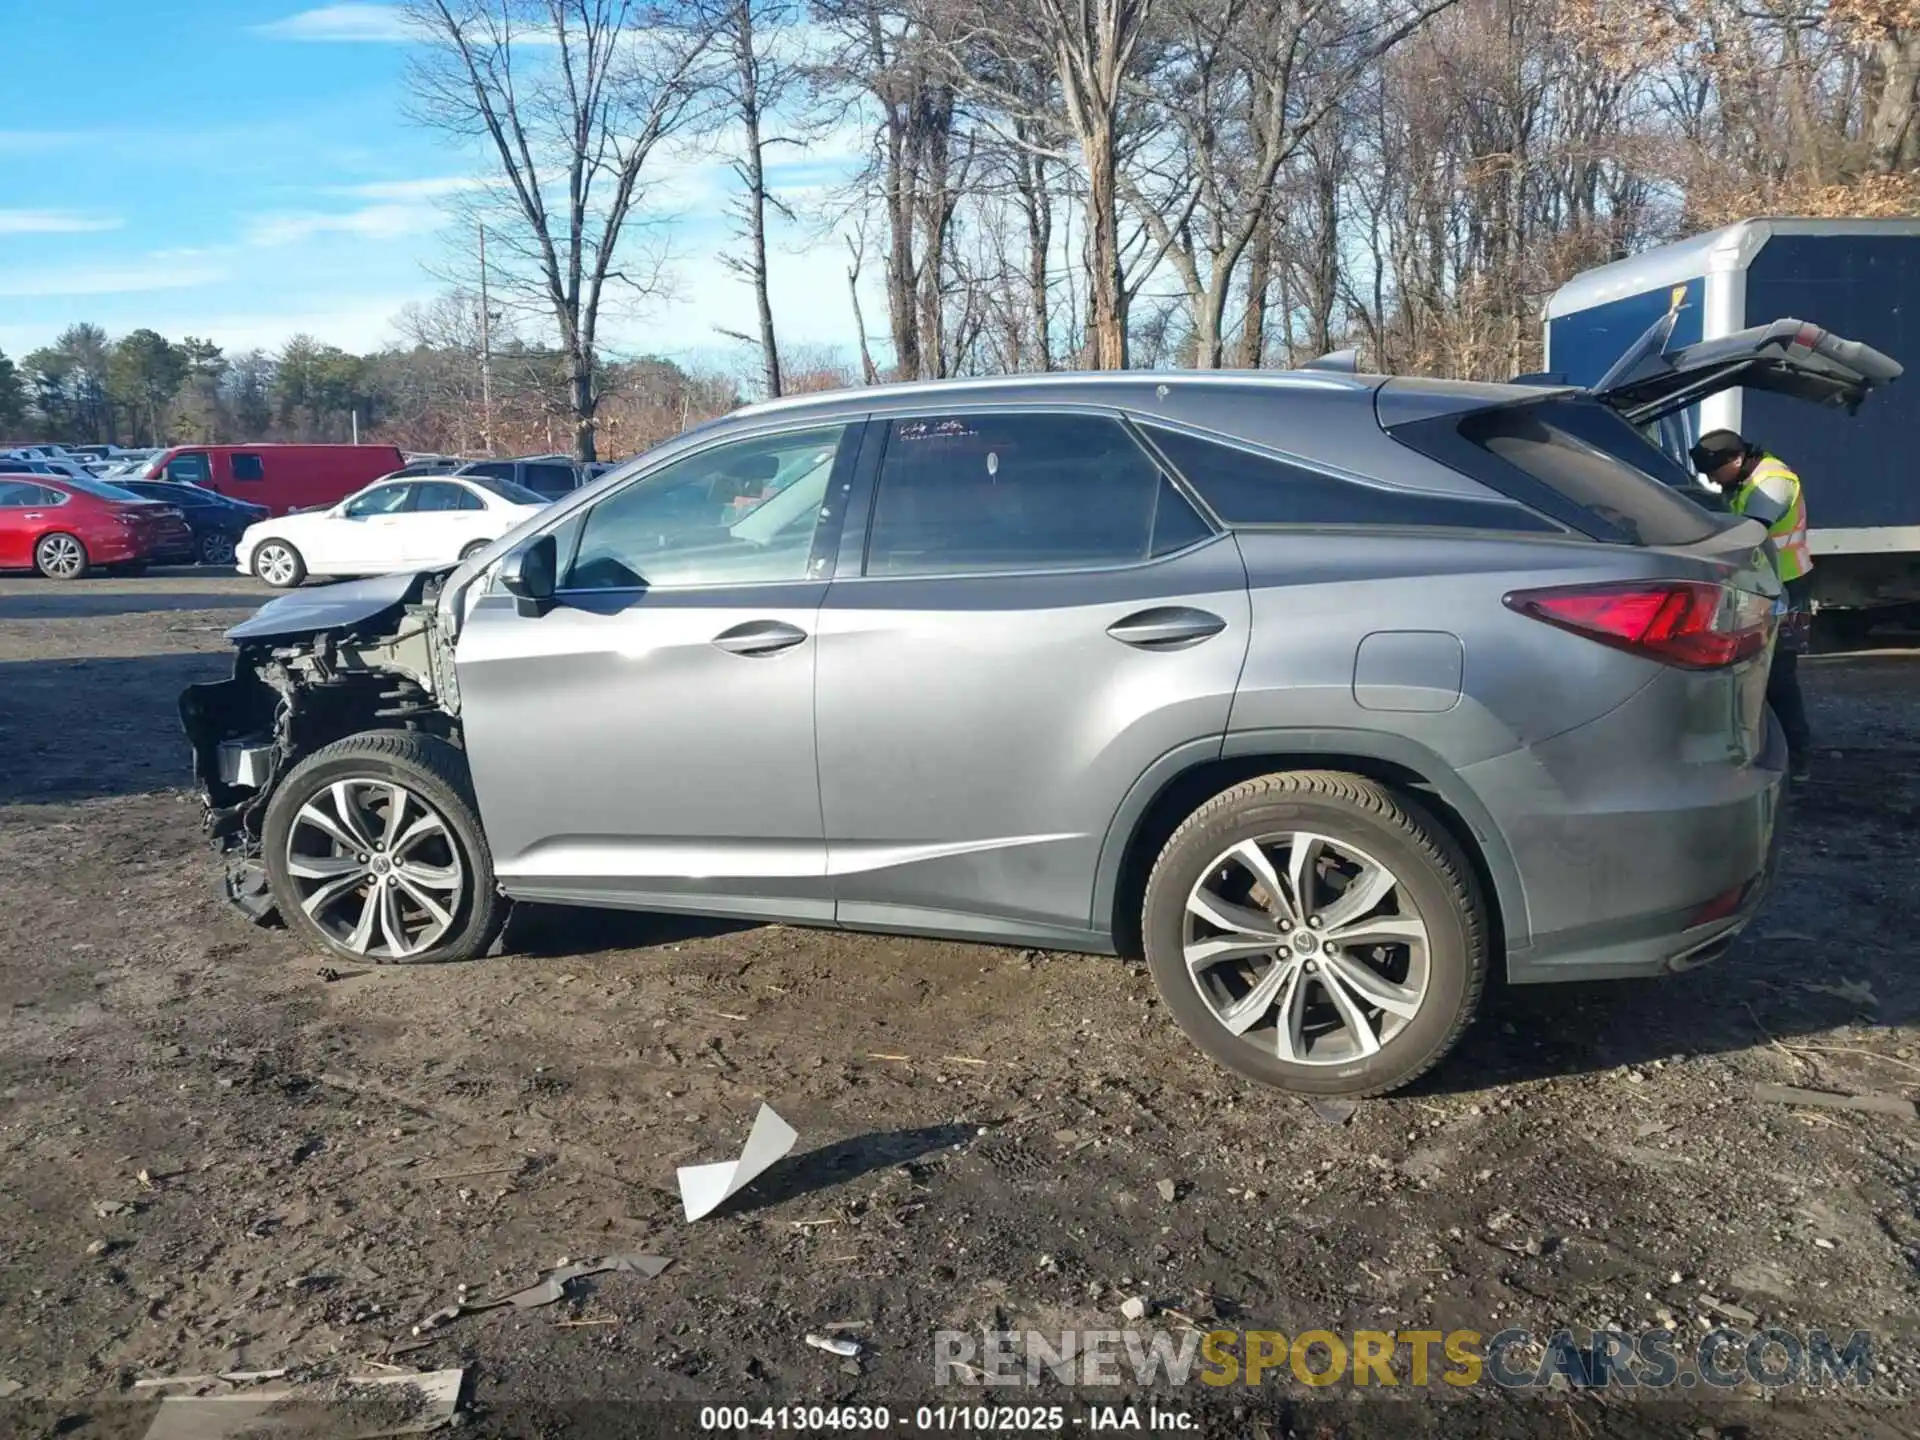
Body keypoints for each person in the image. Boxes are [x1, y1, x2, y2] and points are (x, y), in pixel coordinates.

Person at [1689, 429, 1813, 781]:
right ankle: (1761, 749)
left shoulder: (1772, 483)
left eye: (1714, 472)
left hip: (1786, 589)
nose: (1712, 481)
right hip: (1762, 586)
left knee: (1778, 677)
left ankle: (1797, 757)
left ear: (1737, 460)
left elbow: (1748, 534)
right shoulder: (1742, 481)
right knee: (1749, 673)